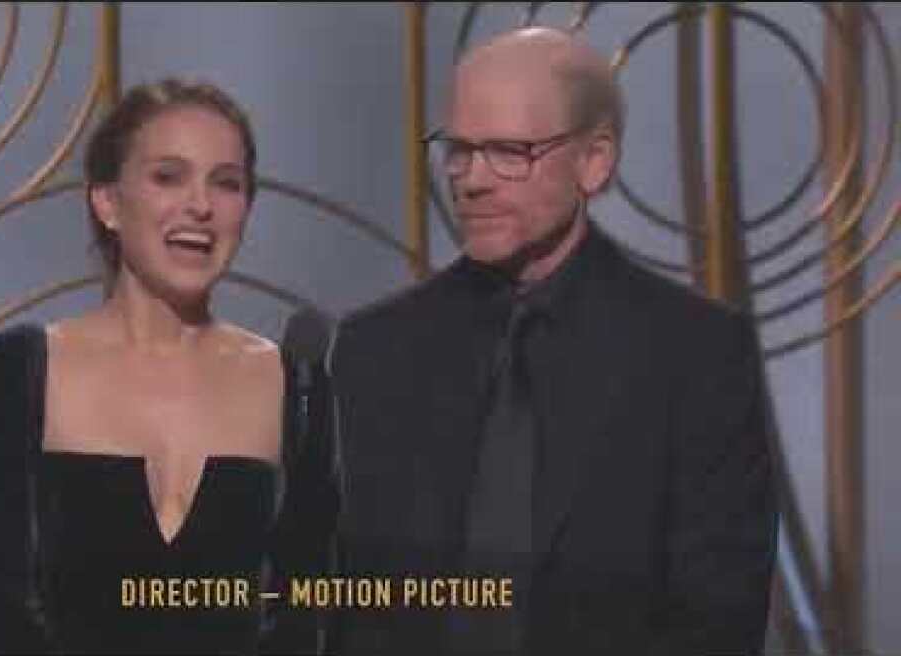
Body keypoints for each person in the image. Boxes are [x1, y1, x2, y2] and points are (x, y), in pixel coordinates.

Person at [329, 28, 777, 654]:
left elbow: (717, 621)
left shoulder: (698, 356)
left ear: (594, 161)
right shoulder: (374, 350)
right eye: (459, 150)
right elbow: (352, 610)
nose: (471, 180)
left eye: (508, 151)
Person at [0, 78, 338, 655]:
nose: (200, 206)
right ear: (107, 202)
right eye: (168, 177)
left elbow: (304, 617)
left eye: (226, 183)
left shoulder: (296, 384)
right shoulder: (21, 370)